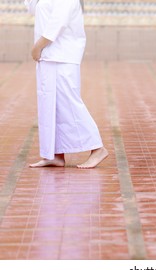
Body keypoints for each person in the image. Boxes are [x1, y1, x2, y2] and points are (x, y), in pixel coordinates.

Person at [25, 0, 108, 169]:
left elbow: (58, 22)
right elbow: (32, 9)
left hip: (62, 56)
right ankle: (55, 155)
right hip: (49, 55)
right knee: (50, 106)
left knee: (69, 104)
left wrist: (37, 47)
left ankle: (97, 148)